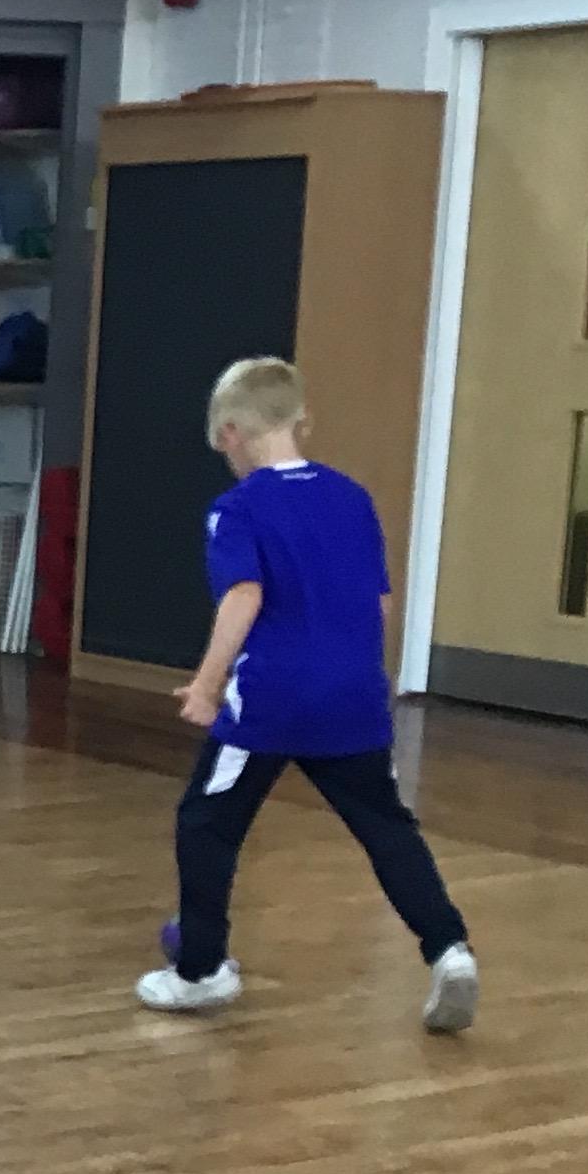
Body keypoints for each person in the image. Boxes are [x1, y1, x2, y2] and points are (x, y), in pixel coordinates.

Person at [136, 358, 478, 1031]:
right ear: (303, 422)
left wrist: (207, 685)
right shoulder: (352, 498)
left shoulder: (237, 508)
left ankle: (200, 970)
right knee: (386, 827)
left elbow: (243, 594)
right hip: (354, 696)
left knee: (206, 824)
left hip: (271, 701)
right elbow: (379, 605)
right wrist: (357, 680)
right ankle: (450, 950)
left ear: (229, 434)